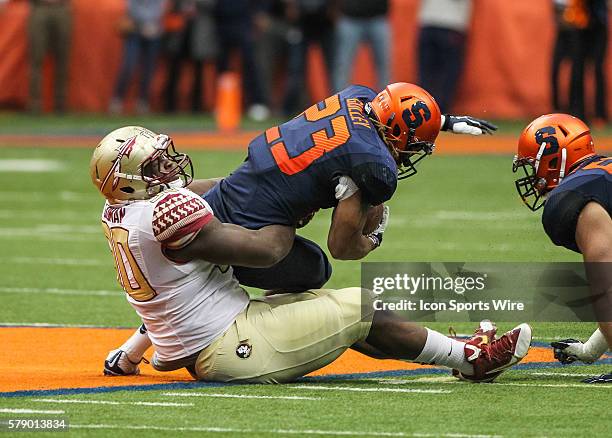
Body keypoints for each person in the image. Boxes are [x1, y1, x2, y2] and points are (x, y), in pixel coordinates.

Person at [90, 125, 532, 383]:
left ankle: (458, 353)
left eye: (165, 158)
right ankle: (474, 362)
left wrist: (131, 352)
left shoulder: (123, 214)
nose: (170, 167)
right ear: (129, 180)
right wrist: (287, 203)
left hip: (208, 338)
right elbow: (268, 251)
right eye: (155, 167)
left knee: (334, 308)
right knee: (359, 307)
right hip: (228, 346)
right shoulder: (168, 211)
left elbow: (170, 289)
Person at [200, 82, 497, 291]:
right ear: (396, 133)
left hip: (243, 181)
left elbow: (389, 112)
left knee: (219, 192)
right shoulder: (371, 164)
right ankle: (213, 287)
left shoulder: (357, 96)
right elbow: (340, 247)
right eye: (414, 145)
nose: (412, 153)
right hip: (253, 225)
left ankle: (170, 200)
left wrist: (442, 121)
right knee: (315, 268)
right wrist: (373, 240)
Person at [512, 113, 612, 383]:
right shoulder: (602, 174)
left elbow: (605, 288)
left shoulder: (575, 194)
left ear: (554, 158)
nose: (533, 174)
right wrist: (589, 351)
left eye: (533, 163)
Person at [108, 0, 165, 115]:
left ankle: (143, 101)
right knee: (129, 66)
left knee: (148, 70)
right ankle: (117, 100)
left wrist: (151, 24)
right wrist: (143, 24)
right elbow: (131, 8)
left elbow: (160, 8)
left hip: (153, 31)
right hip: (135, 30)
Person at [417, 0, 472, 113]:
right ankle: (436, 110)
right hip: (450, 23)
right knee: (447, 73)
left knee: (428, 72)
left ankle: (424, 110)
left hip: (429, 22)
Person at [163, 0, 217, 113]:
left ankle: (197, 105)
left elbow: (213, 5)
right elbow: (172, 7)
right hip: (179, 32)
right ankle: (169, 105)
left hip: (198, 33)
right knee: (174, 69)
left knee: (198, 71)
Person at [332, 0, 390, 92]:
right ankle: (339, 103)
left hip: (378, 17)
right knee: (343, 67)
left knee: (385, 67)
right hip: (350, 17)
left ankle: (388, 103)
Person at [28, 0, 72, 114]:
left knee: (63, 59)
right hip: (40, 7)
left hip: (62, 7)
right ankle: (35, 105)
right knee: (36, 58)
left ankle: (61, 104)